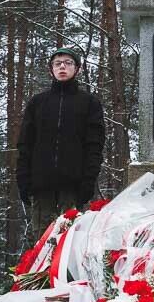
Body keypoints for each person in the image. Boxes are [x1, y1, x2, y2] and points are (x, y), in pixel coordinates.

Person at [15, 47, 105, 243]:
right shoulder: (37, 103)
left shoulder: (89, 103)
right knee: (42, 246)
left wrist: (88, 182)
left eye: (68, 63)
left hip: (74, 189)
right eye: (57, 63)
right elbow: (25, 145)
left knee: (71, 246)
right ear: (51, 69)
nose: (62, 67)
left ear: (77, 69)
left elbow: (95, 146)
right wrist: (23, 180)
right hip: (41, 189)